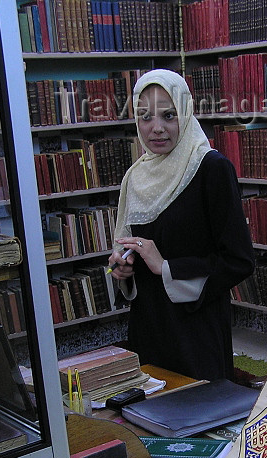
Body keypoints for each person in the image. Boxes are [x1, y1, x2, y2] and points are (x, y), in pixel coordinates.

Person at [108, 69, 255, 381]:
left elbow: (239, 261)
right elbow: (131, 249)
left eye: (169, 115)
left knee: (198, 423)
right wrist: (123, 269)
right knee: (145, 423)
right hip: (148, 329)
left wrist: (166, 267)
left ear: (186, 114)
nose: (156, 128)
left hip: (196, 334)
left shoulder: (211, 170)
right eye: (145, 117)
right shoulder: (136, 177)